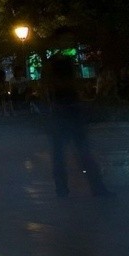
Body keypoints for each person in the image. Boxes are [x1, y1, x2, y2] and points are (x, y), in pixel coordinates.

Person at [43, 39, 109, 198]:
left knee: (72, 152)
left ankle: (69, 189)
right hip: (64, 111)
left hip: (67, 111)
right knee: (75, 152)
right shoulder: (56, 64)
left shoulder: (60, 63)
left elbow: (48, 86)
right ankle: (93, 188)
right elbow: (50, 86)